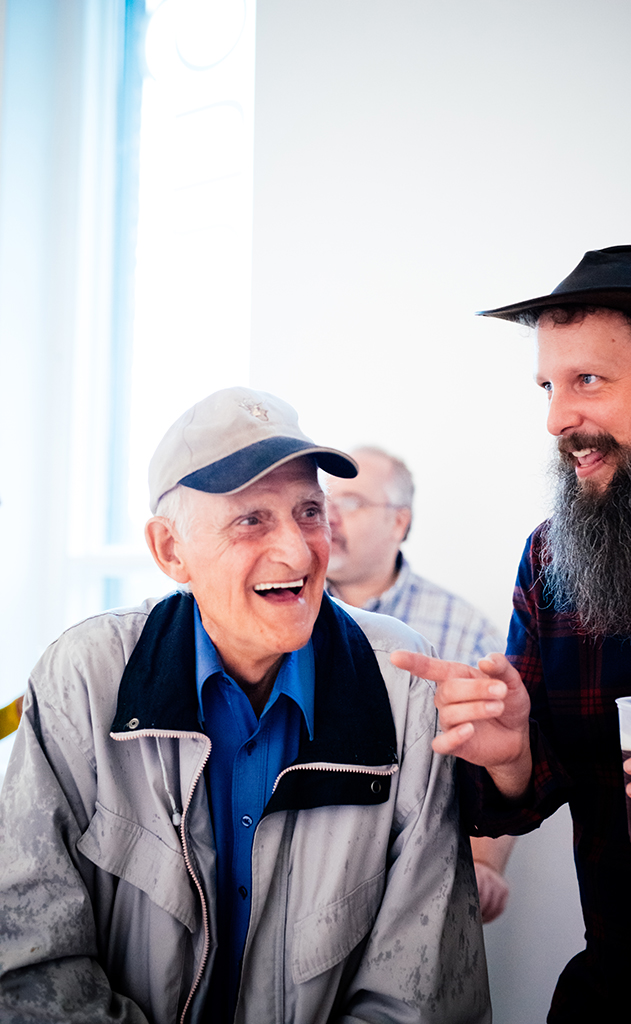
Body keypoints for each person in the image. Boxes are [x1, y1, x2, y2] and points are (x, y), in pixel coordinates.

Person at [0, 386, 490, 1024]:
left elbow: (421, 995)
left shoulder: (401, 681)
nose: (298, 551)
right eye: (251, 519)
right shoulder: (85, 676)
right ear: (171, 550)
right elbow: (30, 958)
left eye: (309, 511)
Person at [392, 245, 631, 1021]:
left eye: (587, 380)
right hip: (616, 991)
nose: (556, 420)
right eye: (548, 387)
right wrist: (510, 753)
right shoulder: (553, 557)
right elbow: (528, 790)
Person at [325, 445, 514, 923]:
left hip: (413, 888)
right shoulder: (287, 612)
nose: (329, 516)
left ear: (399, 522)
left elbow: (498, 752)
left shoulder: (464, 632)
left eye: (352, 502)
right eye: (322, 501)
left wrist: (486, 864)